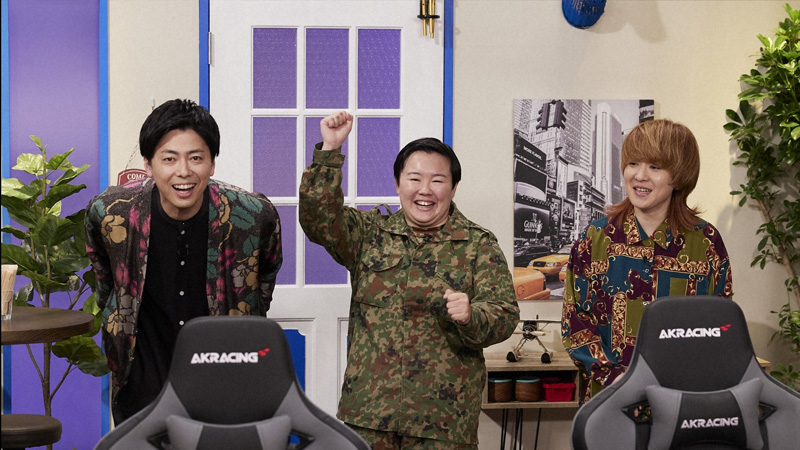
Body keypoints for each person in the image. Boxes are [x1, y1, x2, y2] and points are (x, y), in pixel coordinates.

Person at [299, 111, 519, 449]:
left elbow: (505, 315)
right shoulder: (369, 233)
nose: (425, 190)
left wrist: (471, 315)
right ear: (398, 183)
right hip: (369, 415)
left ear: (453, 187)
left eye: (438, 180)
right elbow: (318, 220)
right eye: (414, 178)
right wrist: (329, 151)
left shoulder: (478, 244)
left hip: (444, 421)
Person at [85, 99, 282, 423]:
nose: (184, 171)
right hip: (141, 381)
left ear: (212, 163)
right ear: (149, 164)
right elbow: (105, 279)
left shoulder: (253, 215)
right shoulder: (112, 212)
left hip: (227, 383)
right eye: (169, 158)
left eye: (196, 158)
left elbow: (265, 278)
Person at [561, 119, 733, 404]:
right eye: (633, 163)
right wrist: (614, 378)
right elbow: (575, 319)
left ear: (680, 175)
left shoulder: (706, 242)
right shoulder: (595, 238)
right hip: (609, 401)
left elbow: (720, 325)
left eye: (655, 167)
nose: (639, 176)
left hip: (683, 401)